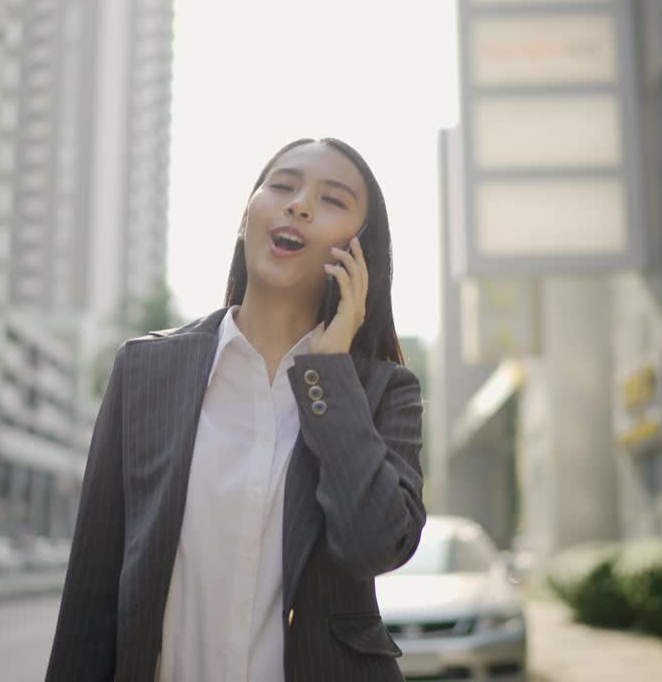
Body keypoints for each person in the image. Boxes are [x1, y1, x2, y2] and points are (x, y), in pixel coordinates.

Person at [44, 138, 425, 682]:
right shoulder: (144, 371)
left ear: (359, 252)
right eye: (282, 185)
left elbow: (374, 546)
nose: (298, 204)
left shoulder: (386, 392)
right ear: (248, 217)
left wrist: (330, 377)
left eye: (332, 199)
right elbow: (92, 592)